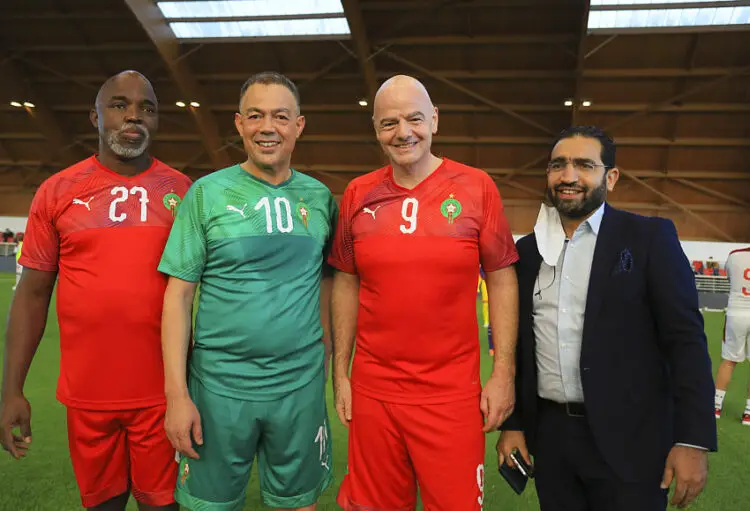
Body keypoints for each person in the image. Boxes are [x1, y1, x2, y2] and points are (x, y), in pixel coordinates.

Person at [496, 125, 717, 511]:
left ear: (610, 177)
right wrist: (513, 423)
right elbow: (516, 345)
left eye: (584, 165)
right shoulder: (527, 251)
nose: (568, 176)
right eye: (558, 165)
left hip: (634, 439)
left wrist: (693, 440)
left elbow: (686, 342)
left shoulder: (649, 238)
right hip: (552, 438)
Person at [0, 70, 192, 510]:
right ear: (94, 117)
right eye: (119, 104)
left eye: (147, 108)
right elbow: (32, 295)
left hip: (164, 395)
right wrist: (12, 389)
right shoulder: (57, 192)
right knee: (103, 505)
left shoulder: (184, 193)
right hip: (88, 396)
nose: (134, 116)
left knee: (162, 505)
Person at [328, 74, 519, 511]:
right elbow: (346, 280)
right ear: (376, 129)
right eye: (388, 123)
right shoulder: (358, 193)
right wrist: (342, 372)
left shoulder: (477, 187)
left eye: (414, 118)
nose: (403, 132)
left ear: (434, 119)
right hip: (375, 392)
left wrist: (503, 371)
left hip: (451, 394)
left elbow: (502, 277)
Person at [158, 71, 337, 511]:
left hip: (299, 387)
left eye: (280, 115)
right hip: (219, 388)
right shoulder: (206, 195)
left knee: (298, 503)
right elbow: (178, 297)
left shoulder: (320, 198)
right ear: (239, 124)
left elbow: (331, 284)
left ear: (299, 125)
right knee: (209, 505)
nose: (267, 127)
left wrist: (328, 359)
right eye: (255, 115)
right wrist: (177, 396)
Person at [714, 246, 750, 424]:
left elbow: (731, 279)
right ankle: (748, 413)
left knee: (729, 360)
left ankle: (716, 406)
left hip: (736, 312)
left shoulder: (735, 255)